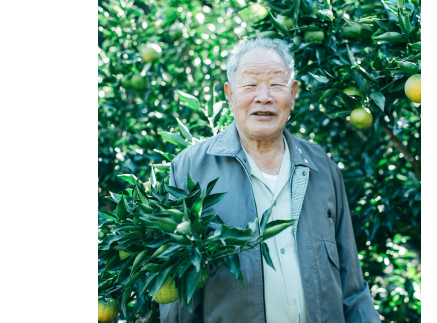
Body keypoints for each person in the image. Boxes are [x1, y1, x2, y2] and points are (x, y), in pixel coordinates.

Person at [160, 37, 381, 323]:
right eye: (250, 85)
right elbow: (178, 297)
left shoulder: (321, 166)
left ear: (293, 93)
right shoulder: (190, 169)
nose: (263, 96)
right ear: (230, 94)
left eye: (276, 84)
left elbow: (351, 282)